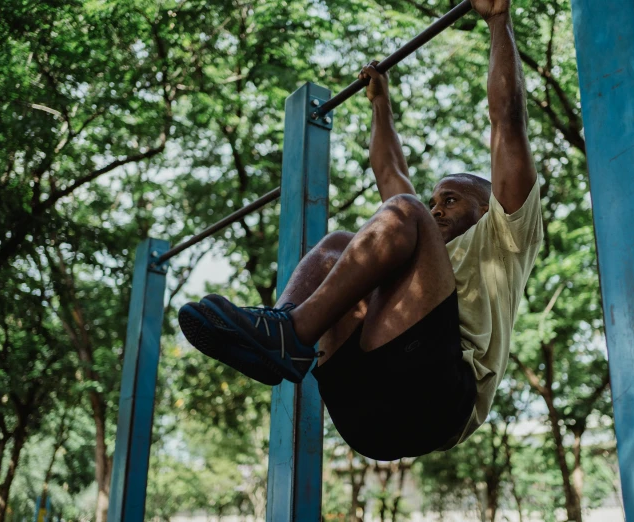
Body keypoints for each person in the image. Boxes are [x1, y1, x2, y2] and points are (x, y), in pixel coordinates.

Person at [178, 0, 542, 461]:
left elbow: (506, 122)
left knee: (399, 211)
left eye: (450, 199)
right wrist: (380, 106)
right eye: (434, 201)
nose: (436, 209)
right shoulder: (417, 258)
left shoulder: (504, 235)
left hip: (439, 399)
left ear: (491, 205)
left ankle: (292, 334)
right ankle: (287, 335)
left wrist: (497, 21)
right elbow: (391, 174)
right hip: (367, 416)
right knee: (336, 247)